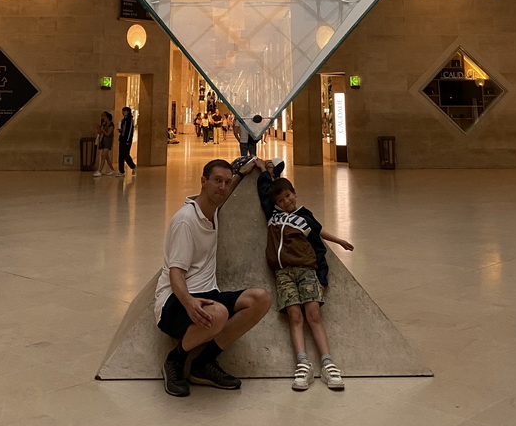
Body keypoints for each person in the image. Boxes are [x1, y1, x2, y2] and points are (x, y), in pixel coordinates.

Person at [155, 158, 271, 397]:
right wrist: (189, 303)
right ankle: (175, 360)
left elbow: (224, 197)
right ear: (203, 181)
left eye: (226, 183)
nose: (222, 187)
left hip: (209, 295)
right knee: (217, 313)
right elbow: (175, 272)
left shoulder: (211, 211)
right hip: (174, 302)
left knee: (260, 299)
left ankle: (203, 364)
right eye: (217, 181)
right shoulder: (186, 221)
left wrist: (241, 173)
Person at [256, 159, 354, 391]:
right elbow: (264, 192)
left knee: (314, 316)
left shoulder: (304, 217)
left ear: (295, 193)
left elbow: (318, 238)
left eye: (288, 196)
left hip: (307, 271)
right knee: (295, 317)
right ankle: (303, 364)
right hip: (283, 274)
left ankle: (328, 364)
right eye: (280, 200)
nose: (286, 202)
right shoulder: (272, 214)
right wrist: (264, 171)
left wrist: (337, 245)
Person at [94, 111, 118, 176]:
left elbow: (108, 134)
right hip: (103, 141)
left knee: (103, 156)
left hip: (108, 141)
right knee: (107, 157)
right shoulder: (104, 124)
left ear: (107, 117)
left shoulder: (111, 125)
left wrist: (103, 130)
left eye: (103, 116)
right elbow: (100, 133)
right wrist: (98, 128)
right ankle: (112, 170)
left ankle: (99, 170)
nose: (102, 117)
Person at [118, 106, 136, 176]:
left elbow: (130, 131)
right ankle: (121, 171)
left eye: (124, 111)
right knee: (121, 155)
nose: (123, 112)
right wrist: (120, 131)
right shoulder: (123, 120)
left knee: (126, 154)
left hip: (127, 140)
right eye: (122, 111)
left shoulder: (130, 120)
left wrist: (128, 140)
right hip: (122, 139)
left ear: (128, 112)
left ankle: (133, 166)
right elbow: (123, 130)